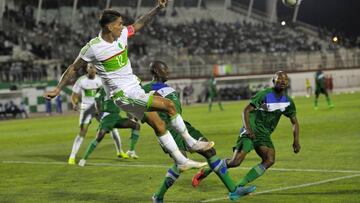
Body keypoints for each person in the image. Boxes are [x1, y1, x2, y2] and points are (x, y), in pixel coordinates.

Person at [44, 0, 213, 171]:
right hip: (122, 95)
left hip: (135, 89)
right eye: (119, 24)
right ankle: (191, 143)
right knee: (169, 106)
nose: (122, 26)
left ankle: (180, 160)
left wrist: (158, 8)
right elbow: (74, 67)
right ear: (109, 27)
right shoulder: (93, 48)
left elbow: (139, 23)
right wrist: (58, 88)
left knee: (158, 124)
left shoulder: (122, 34)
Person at [143, 61, 254, 203]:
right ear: (156, 71)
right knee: (180, 164)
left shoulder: (168, 88)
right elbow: (138, 110)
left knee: (210, 151)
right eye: (165, 69)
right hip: (168, 130)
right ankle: (158, 196)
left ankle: (234, 190)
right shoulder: (145, 89)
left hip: (183, 126)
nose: (168, 72)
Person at [193, 71, 301, 200]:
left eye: (285, 80)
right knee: (235, 162)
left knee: (270, 160)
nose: (282, 82)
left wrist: (296, 141)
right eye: (279, 79)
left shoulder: (288, 102)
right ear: (273, 81)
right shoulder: (264, 94)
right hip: (251, 131)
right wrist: (248, 129)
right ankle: (205, 171)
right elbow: (245, 110)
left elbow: (294, 122)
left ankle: (240, 185)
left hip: (264, 135)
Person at [68, 64, 126, 164]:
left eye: (94, 67)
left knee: (113, 128)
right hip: (86, 109)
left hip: (100, 109)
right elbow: (74, 95)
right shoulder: (81, 80)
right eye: (90, 67)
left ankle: (120, 151)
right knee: (83, 131)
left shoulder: (101, 81)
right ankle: (72, 157)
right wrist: (74, 103)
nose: (92, 69)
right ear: (86, 69)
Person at [78, 87, 141, 166]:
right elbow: (97, 99)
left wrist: (131, 116)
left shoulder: (119, 90)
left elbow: (124, 103)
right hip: (107, 117)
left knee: (136, 126)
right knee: (99, 137)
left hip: (117, 117)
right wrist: (98, 110)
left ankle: (131, 150)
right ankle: (83, 159)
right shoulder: (104, 89)